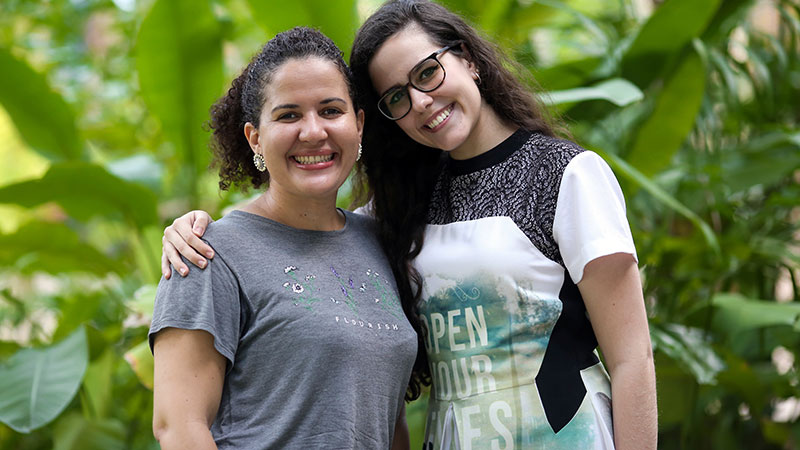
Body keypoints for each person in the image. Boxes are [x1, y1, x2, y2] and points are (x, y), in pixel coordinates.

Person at [161, 1, 658, 449]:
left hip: (565, 435)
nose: (420, 101)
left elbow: (632, 359)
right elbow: (296, 234)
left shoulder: (565, 174)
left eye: (427, 73)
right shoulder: (393, 215)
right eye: (396, 97)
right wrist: (197, 229)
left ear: (467, 58)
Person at [149, 27, 417, 450]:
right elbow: (178, 428)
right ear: (255, 137)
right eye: (289, 115)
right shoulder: (206, 253)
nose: (313, 132)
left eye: (331, 110)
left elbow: (386, 423)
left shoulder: (380, 242)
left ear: (359, 124)